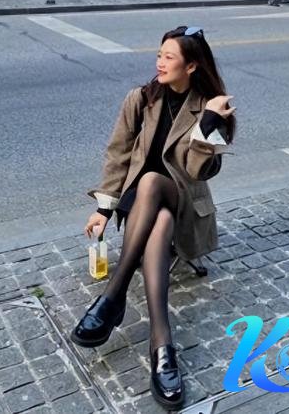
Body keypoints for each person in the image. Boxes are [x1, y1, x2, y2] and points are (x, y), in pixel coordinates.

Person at [71, 25, 236, 410]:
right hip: (142, 206)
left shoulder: (212, 108)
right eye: (159, 55)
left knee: (152, 183)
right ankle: (162, 345)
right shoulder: (140, 98)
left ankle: (113, 297)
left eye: (169, 57)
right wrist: (103, 208)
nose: (159, 63)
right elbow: (118, 154)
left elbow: (198, 173)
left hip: (184, 199)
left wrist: (207, 125)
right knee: (153, 207)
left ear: (191, 66)